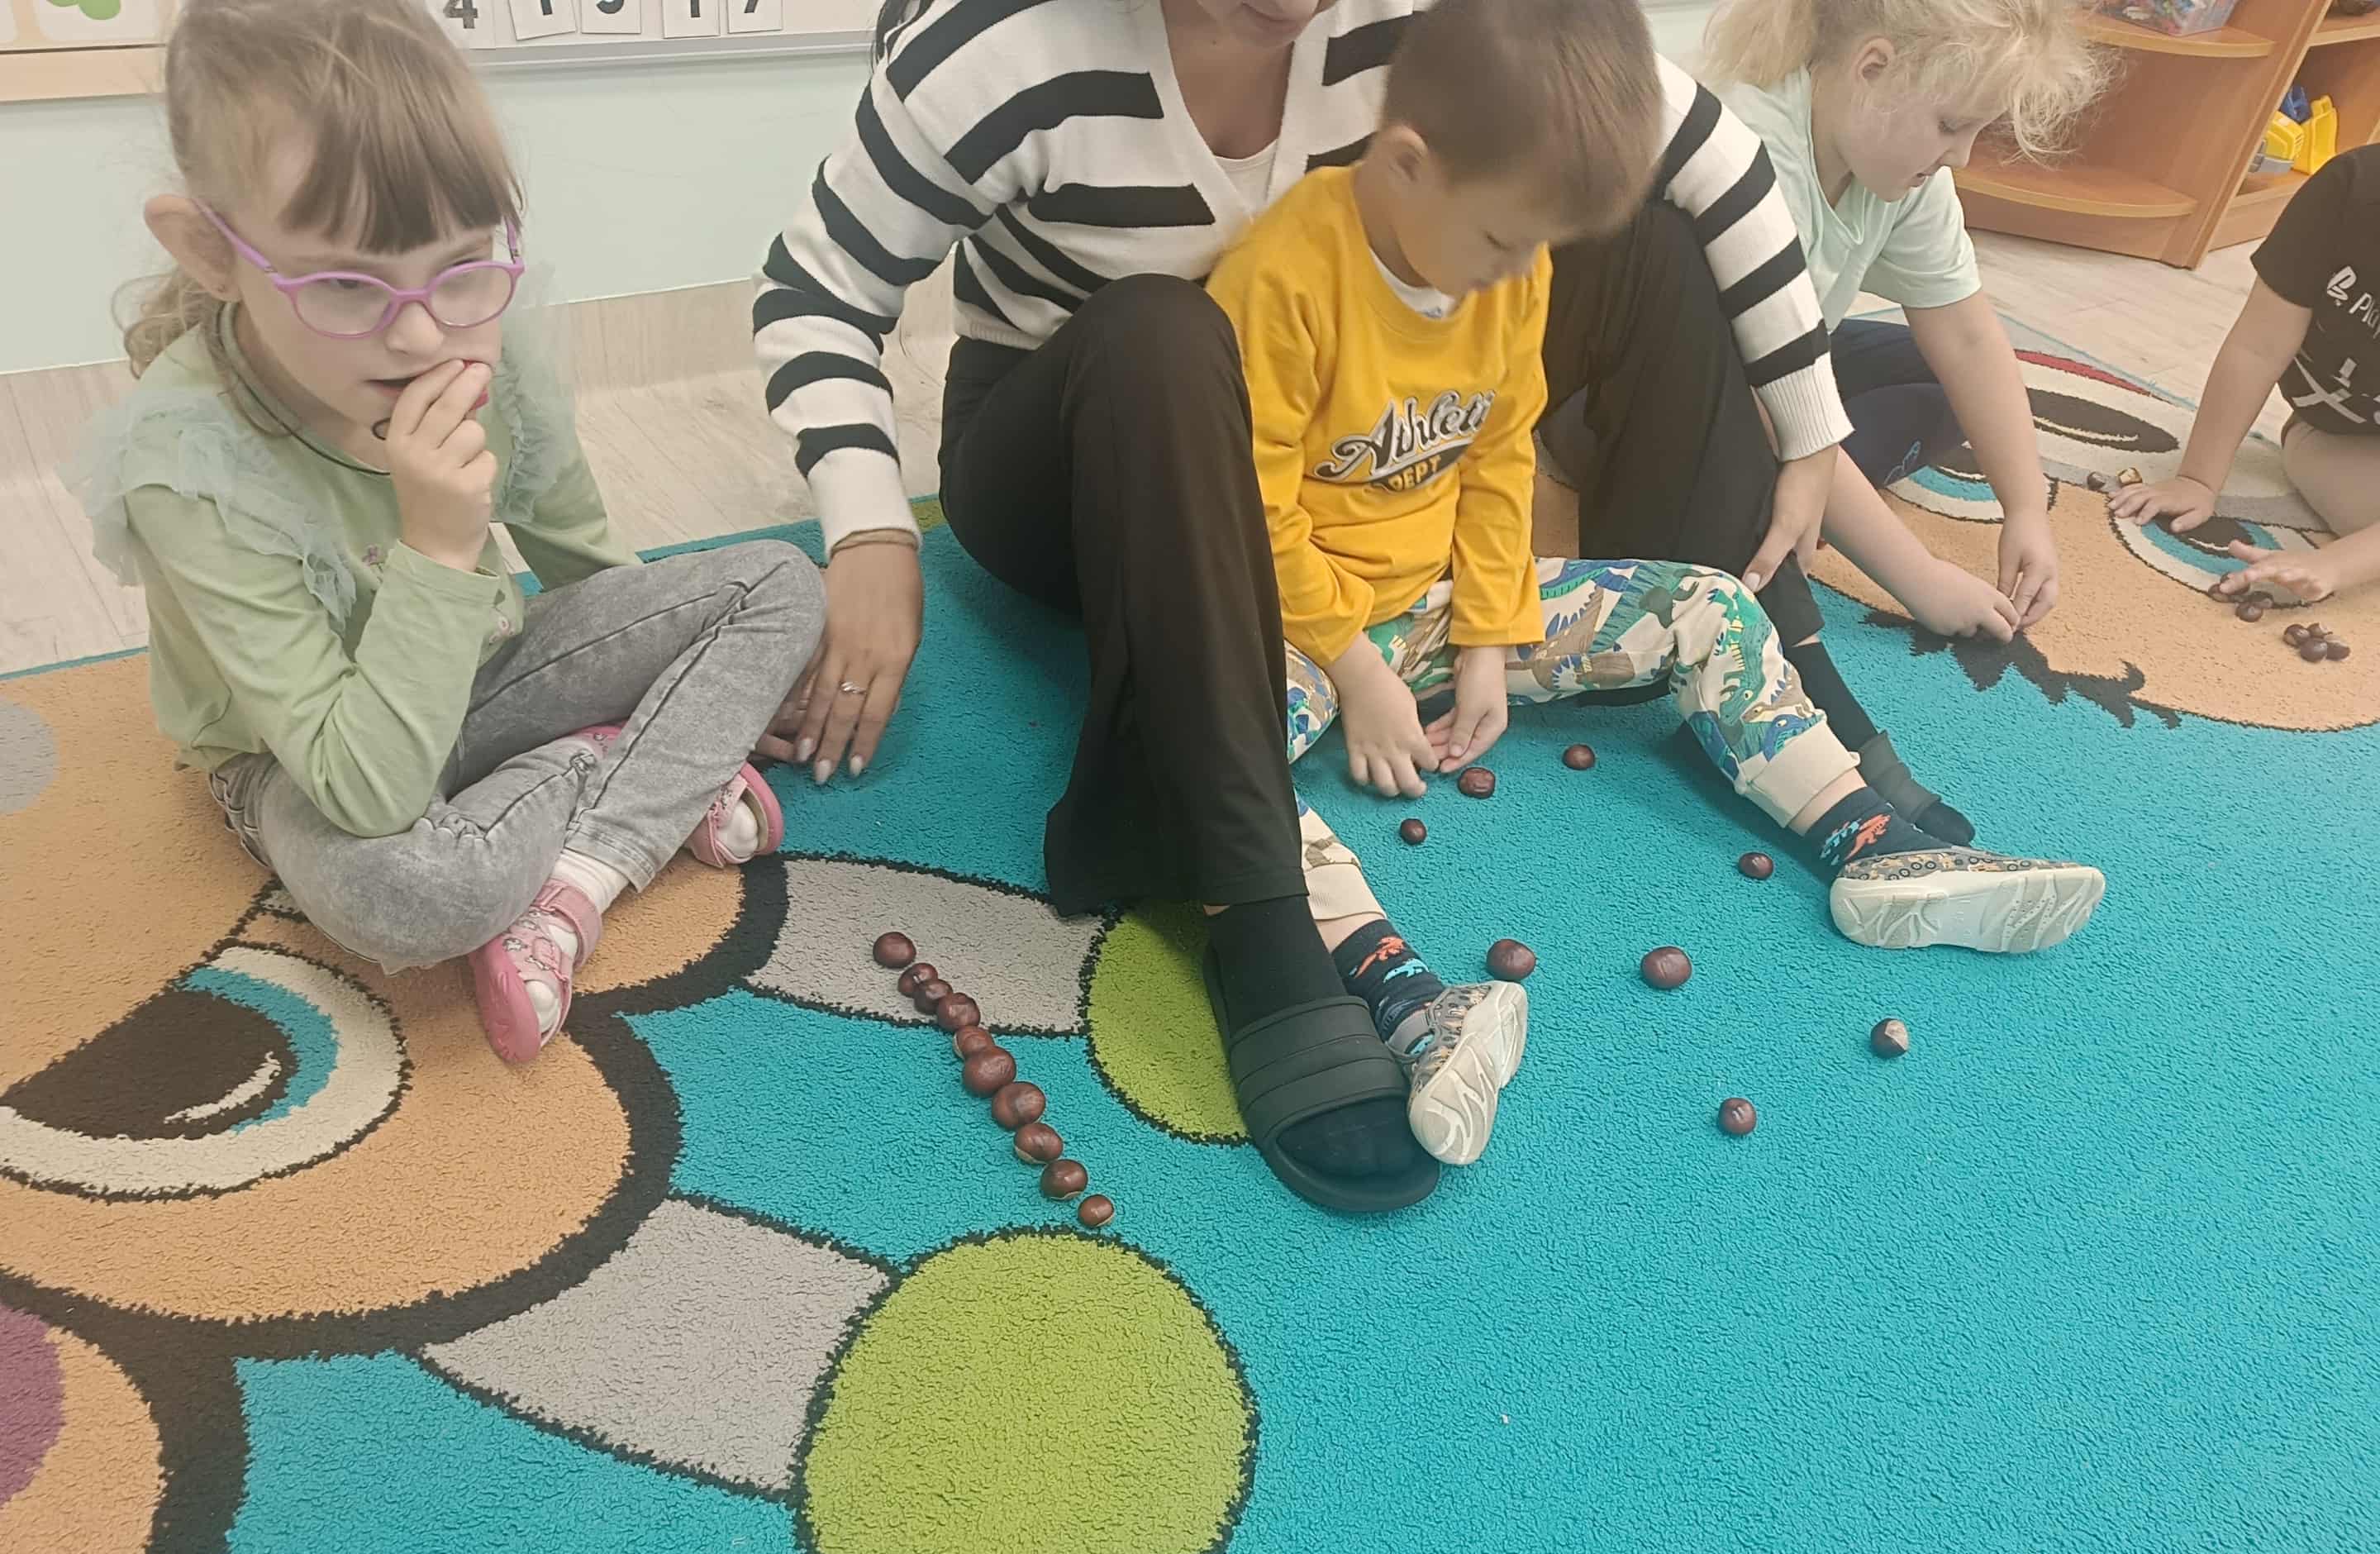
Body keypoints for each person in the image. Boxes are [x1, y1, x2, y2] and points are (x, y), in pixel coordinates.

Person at [749, 0, 2040, 1211]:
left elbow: (1708, 160)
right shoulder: (1002, 49)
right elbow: (815, 291)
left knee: (1645, 226)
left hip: (1362, 483)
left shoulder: (1432, 39)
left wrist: (1807, 431)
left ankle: (1794, 719)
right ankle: (1264, 917)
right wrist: (870, 530)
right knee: (1164, 332)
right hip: (1088, 458)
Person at [1203, 0, 2107, 1181]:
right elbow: (1245, 511)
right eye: (1503, 244)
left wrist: (1490, 634)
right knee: (1212, 759)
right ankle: (1409, 1000)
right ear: (1407, 164)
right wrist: (1356, 666)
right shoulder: (1280, 279)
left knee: (1711, 606)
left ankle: (1871, 843)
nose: (1522, 277)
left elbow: (1498, 455)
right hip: (1293, 631)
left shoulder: (1510, 263)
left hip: (1436, 602)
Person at [79, 0, 825, 1064]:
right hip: (302, 763)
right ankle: (629, 777)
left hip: (481, 676)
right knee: (414, 896)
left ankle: (575, 880)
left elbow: (590, 577)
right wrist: (435, 545)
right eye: (347, 285)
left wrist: (668, 661)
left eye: (465, 263)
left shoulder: (491, 347)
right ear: (211, 250)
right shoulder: (188, 466)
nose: (424, 332)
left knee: (782, 583)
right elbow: (363, 790)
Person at [1697, 0, 2106, 845]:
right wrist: (1920, 578)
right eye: (1952, 126)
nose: (1962, 156)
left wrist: (2025, 507)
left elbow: (1966, 335)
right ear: (1873, 67)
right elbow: (1771, 407)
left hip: (1788, 363)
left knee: (1942, 382)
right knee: (1756, 454)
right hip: (1681, 394)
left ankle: (1815, 496)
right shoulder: (1750, 148)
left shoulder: (1902, 164)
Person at [2113, 144, 2380, 607]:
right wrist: (2198, 479)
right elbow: (2258, 347)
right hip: (2336, 439)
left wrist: (2332, 565)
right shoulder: (2353, 186)